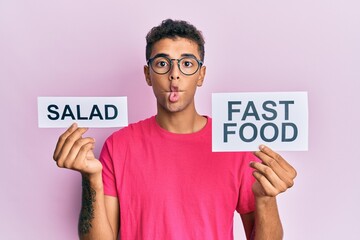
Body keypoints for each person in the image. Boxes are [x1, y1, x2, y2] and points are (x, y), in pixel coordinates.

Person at [53, 19, 297, 240]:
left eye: (187, 63)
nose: (175, 75)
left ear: (201, 75)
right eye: (162, 63)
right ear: (148, 74)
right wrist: (91, 179)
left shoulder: (232, 143)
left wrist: (266, 199)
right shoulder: (119, 146)